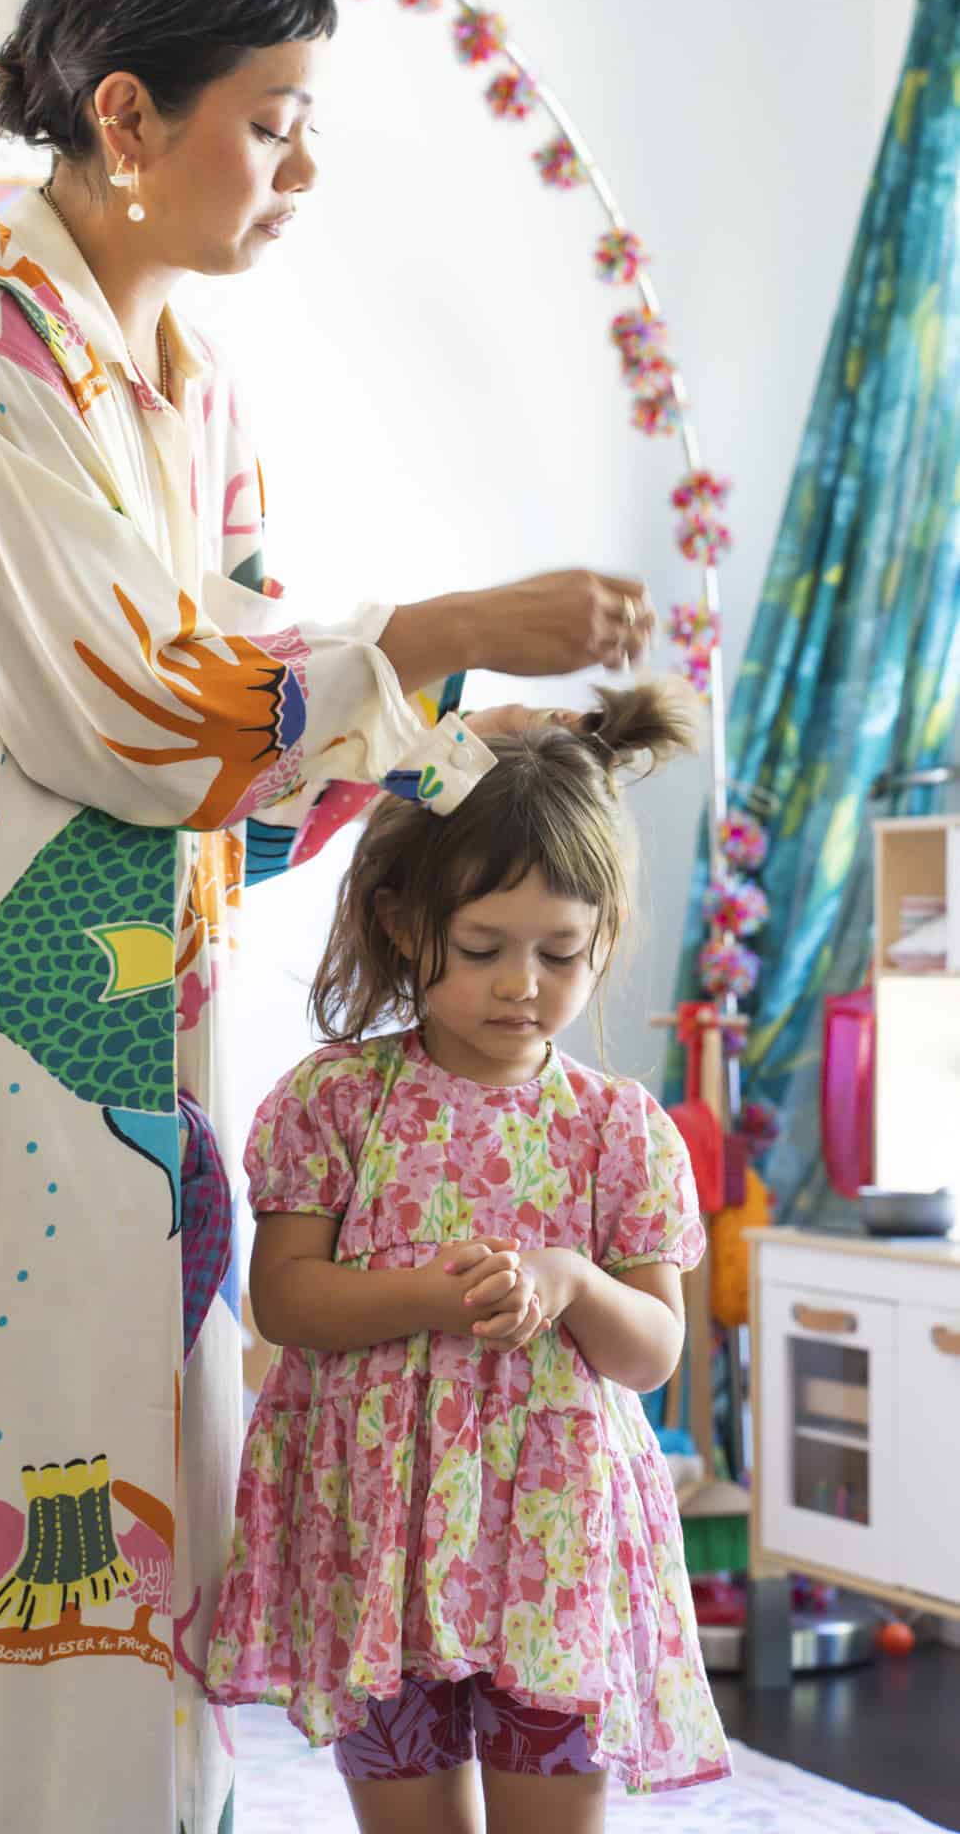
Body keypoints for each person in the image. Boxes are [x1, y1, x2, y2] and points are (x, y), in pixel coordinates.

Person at [0, 0, 656, 1834]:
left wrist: (450, 728)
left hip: (128, 1004)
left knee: (108, 1474)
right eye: (272, 121)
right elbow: (126, 712)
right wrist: (444, 626)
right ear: (128, 116)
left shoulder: (188, 378)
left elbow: (235, 736)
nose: (298, 169)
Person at [207, 684, 732, 1832]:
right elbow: (283, 1299)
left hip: (556, 1555)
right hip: (376, 1549)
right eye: (485, 946)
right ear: (403, 921)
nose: (522, 983)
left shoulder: (621, 1129)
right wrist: (430, 1293)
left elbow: (651, 1352)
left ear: (603, 935)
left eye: (561, 950)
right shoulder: (335, 1101)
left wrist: (573, 1279)